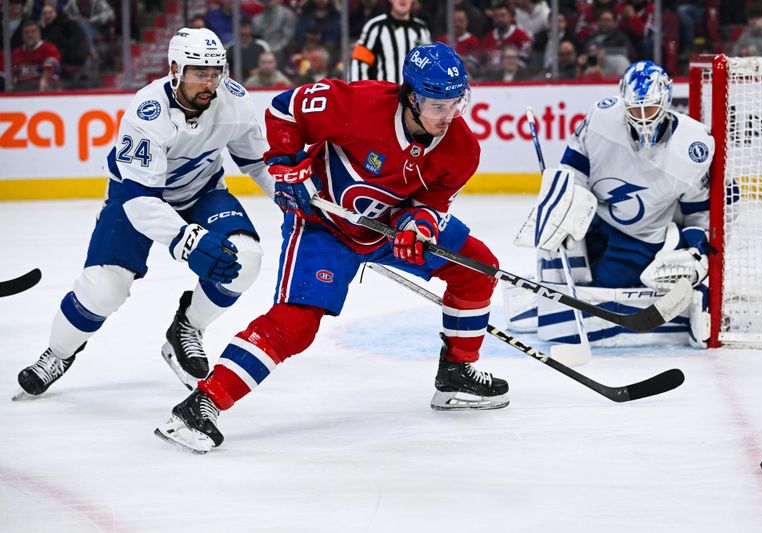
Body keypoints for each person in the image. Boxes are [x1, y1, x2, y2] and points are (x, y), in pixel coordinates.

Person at [155, 42, 510, 454]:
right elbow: (285, 109)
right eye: (437, 106)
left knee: (477, 267)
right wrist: (287, 164)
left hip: (388, 227)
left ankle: (456, 372)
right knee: (297, 323)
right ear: (411, 97)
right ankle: (201, 405)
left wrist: (421, 225)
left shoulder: (462, 148)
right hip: (322, 225)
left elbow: (433, 201)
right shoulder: (356, 105)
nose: (448, 117)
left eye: (456, 104)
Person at [14, 28, 273, 399]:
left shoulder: (234, 102)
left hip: (202, 192)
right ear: (174, 69)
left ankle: (187, 328)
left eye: (216, 72)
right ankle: (58, 353)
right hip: (135, 198)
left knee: (245, 258)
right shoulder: (147, 111)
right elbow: (140, 200)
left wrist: (294, 199)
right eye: (199, 73)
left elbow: (259, 163)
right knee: (105, 289)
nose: (210, 83)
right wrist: (186, 240)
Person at [505, 60, 715, 348]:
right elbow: (573, 170)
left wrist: (695, 250)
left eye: (649, 108)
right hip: (594, 216)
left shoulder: (693, 148)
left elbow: (699, 215)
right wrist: (564, 208)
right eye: (634, 109)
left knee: (602, 287)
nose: (642, 118)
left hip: (640, 238)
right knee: (554, 256)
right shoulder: (602, 118)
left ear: (665, 103)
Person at [350, 0, 431, 83]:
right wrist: (361, 91)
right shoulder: (375, 27)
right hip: (383, 94)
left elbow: (429, 67)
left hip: (415, 95)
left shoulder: (422, 30)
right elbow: (359, 63)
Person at [11, 19, 61, 92]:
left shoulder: (48, 48)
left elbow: (50, 66)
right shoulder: (16, 53)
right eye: (26, 32)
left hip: (47, 91)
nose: (30, 35)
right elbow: (13, 73)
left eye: (33, 31)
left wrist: (43, 81)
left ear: (39, 33)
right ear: (22, 35)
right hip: (23, 91)